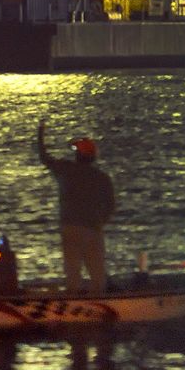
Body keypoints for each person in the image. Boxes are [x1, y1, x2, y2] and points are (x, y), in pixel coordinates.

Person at [36, 120, 115, 296]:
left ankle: (73, 302)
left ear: (78, 155)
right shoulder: (101, 178)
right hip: (92, 228)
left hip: (70, 227)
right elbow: (110, 205)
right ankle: (99, 304)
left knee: (72, 272)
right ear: (93, 156)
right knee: (97, 273)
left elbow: (44, 157)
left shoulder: (65, 170)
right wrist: (101, 222)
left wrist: (40, 132)